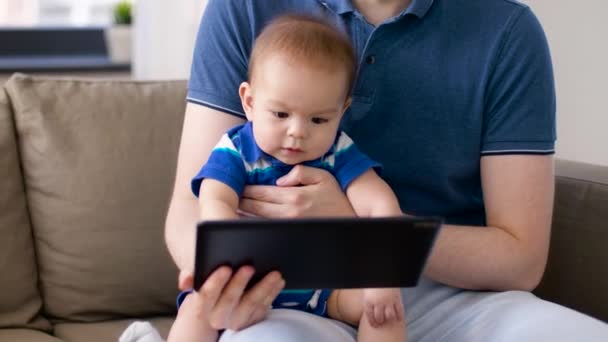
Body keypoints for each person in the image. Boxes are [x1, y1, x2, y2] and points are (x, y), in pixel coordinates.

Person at [165, 0, 608, 341]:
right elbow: (195, 203)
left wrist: (361, 234)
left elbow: (521, 261)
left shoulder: (507, 30)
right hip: (286, 290)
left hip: (457, 296)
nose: (297, 132)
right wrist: (223, 285)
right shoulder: (243, 8)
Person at [167, 14, 406, 342]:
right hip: (247, 285)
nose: (298, 132)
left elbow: (379, 203)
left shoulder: (338, 151)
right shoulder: (237, 149)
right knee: (197, 308)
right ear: (249, 102)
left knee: (384, 310)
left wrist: (383, 277)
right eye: (281, 114)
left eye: (319, 119)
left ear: (342, 110)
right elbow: (214, 198)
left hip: (325, 291)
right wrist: (228, 257)